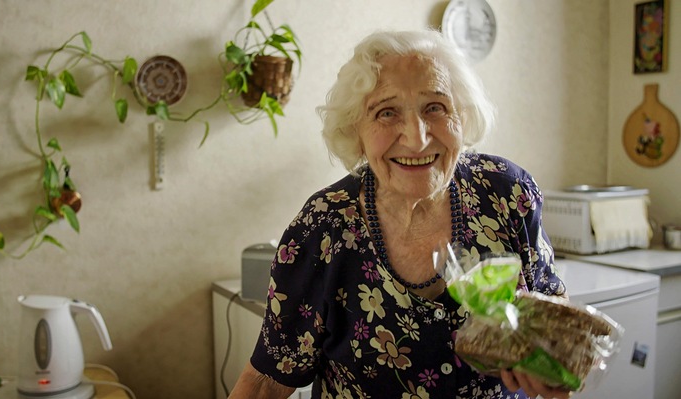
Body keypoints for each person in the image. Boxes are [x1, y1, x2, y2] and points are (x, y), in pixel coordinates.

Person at [230, 29, 570, 399]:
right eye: (386, 112)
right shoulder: (323, 226)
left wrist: (552, 365)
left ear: (463, 115)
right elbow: (267, 382)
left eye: (435, 107)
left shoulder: (506, 193)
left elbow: (553, 321)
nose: (417, 138)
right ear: (356, 131)